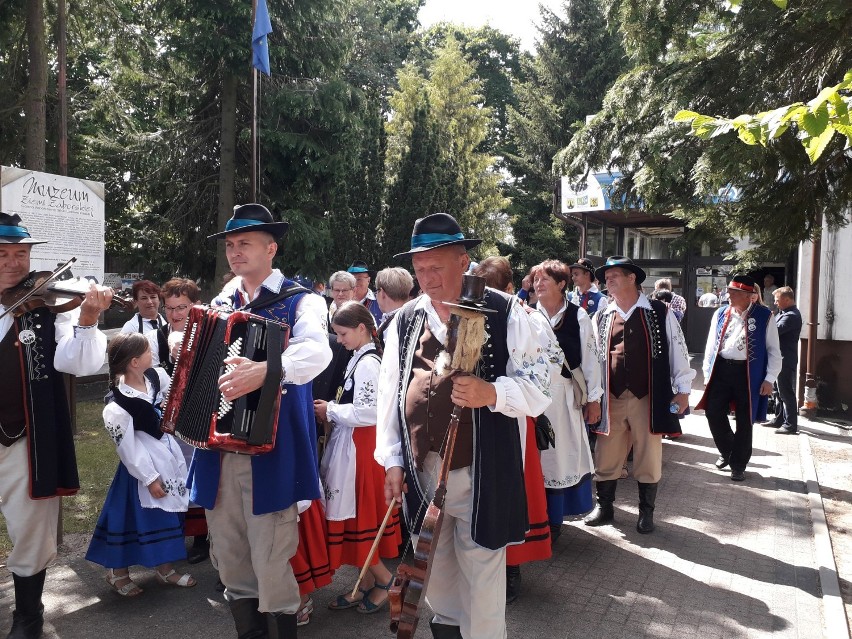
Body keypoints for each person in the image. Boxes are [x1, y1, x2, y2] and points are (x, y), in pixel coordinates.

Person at [376, 213, 551, 639]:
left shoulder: (506, 311)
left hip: (483, 471)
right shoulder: (405, 320)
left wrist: (491, 394)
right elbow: (390, 395)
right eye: (420, 270)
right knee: (435, 577)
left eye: (436, 267)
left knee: (483, 582)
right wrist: (393, 462)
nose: (428, 278)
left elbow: (542, 387)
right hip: (423, 471)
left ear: (463, 260)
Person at [189, 203, 332, 638]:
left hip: (273, 450)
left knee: (271, 557)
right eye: (230, 245)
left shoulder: (300, 300)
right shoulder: (219, 303)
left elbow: (316, 352)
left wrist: (269, 370)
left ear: (270, 248)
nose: (235, 252)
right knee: (230, 555)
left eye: (244, 243)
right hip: (219, 447)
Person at [0, 212, 112, 639]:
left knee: (31, 528)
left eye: (21, 254)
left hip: (24, 435)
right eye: (4, 254)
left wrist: (86, 319)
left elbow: (78, 362)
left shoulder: (48, 306)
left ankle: (28, 616)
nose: (15, 263)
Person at [584, 256, 693, 534]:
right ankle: (605, 506)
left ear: (632, 278)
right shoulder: (602, 314)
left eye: (614, 275)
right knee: (606, 453)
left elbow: (677, 350)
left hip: (648, 396)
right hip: (613, 395)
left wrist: (683, 391)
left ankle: (647, 513)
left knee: (648, 454)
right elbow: (595, 358)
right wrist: (594, 397)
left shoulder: (659, 311)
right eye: (606, 276)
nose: (607, 280)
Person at [85, 333, 196, 595]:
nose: (152, 354)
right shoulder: (117, 406)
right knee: (132, 520)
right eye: (148, 350)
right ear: (135, 361)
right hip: (141, 471)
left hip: (168, 459)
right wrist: (149, 477)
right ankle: (117, 573)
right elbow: (128, 447)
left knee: (170, 514)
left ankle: (165, 569)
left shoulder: (157, 377)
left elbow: (175, 398)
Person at [473, 256, 555, 603]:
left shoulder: (525, 316)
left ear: (508, 288)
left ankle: (512, 566)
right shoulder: (468, 311)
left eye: (493, 287)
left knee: (516, 490)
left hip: (515, 412)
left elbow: (545, 367)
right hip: (478, 418)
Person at [314, 301, 401, 614]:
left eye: (343, 333)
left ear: (362, 328)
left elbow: (370, 413)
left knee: (359, 517)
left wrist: (331, 410)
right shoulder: (358, 357)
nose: (339, 339)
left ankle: (385, 580)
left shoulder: (367, 363)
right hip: (352, 444)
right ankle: (364, 582)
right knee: (352, 517)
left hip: (360, 449)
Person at [532, 260, 601, 542]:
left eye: (544, 279)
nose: (538, 285)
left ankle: (555, 520)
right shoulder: (525, 315)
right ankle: (534, 516)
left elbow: (591, 360)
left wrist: (593, 399)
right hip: (532, 397)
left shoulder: (578, 316)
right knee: (535, 458)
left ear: (562, 284)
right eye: (536, 280)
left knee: (557, 457)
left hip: (562, 398)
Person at [697, 275, 781, 481]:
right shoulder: (720, 312)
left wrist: (770, 378)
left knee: (745, 419)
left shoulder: (764, 316)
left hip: (748, 373)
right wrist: (707, 374)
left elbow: (774, 350)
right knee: (713, 411)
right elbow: (710, 347)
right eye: (729, 291)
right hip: (722, 370)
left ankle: (738, 464)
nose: (729, 295)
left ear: (748, 296)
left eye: (734, 293)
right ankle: (728, 450)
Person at [771, 286, 802, 435]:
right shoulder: (783, 313)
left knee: (785, 391)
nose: (775, 303)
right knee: (777, 390)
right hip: (779, 357)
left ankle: (790, 425)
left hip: (785, 359)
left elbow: (774, 331)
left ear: (787, 299)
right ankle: (779, 418)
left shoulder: (791, 315)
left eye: (777, 300)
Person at [348, 260, 383, 326]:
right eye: (351, 279)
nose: (354, 282)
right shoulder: (343, 302)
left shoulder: (380, 300)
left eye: (359, 279)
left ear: (368, 280)